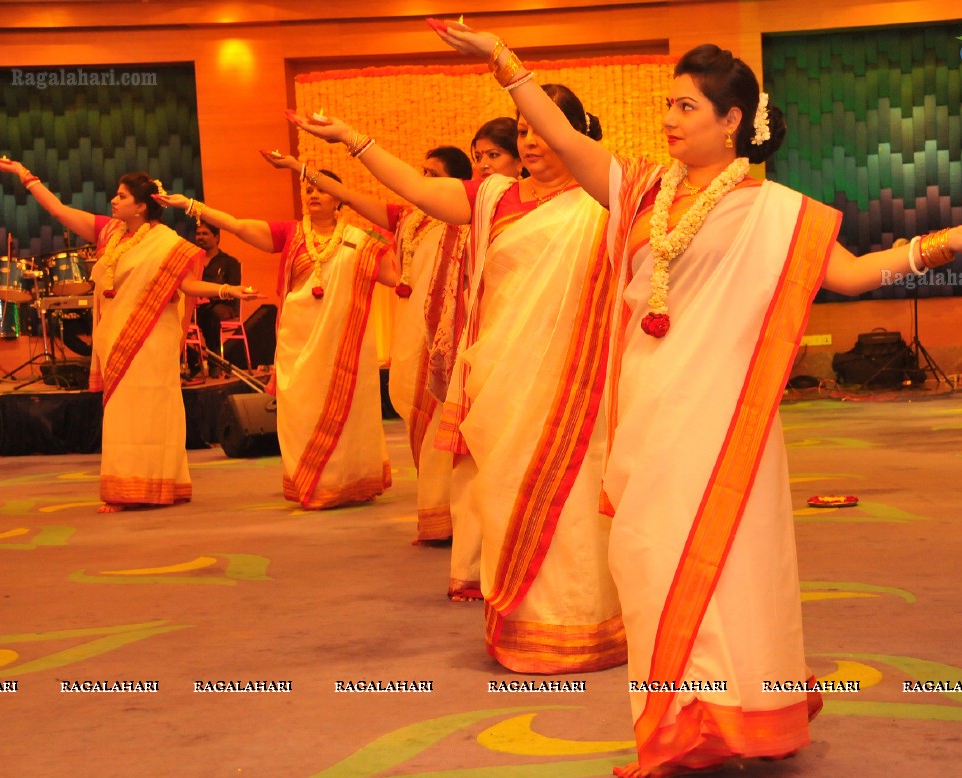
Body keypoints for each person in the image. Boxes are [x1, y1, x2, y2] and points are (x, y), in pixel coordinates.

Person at [431, 22, 962, 778]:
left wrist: (940, 244)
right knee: (646, 564)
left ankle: (723, 717)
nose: (669, 119)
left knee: (721, 564)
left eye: (685, 107)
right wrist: (505, 65)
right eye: (667, 105)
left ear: (731, 120)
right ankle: (681, 714)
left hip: (714, 418)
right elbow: (567, 142)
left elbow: (847, 275)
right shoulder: (642, 187)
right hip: (646, 412)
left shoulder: (773, 209)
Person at [287, 86, 626, 671]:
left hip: (574, 382)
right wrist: (351, 141)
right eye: (522, 131)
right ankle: (524, 625)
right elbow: (417, 191)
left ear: (573, 133)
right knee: (499, 491)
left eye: (543, 128)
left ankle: (580, 623)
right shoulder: (494, 197)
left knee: (571, 499)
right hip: (502, 377)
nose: (531, 141)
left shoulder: (603, 201)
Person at [0, 158, 257, 512]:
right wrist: (23, 176)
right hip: (116, 336)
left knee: (154, 408)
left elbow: (186, 285)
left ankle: (158, 484)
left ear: (141, 205)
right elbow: (59, 210)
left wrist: (228, 291)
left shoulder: (166, 242)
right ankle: (126, 487)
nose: (114, 201)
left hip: (153, 337)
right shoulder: (108, 233)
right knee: (122, 413)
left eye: (122, 196)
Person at [261, 145, 474, 557]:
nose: (422, 181)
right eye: (422, 172)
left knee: (447, 429)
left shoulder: (469, 218)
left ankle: (456, 517)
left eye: (432, 175)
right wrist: (299, 168)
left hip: (454, 332)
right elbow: (356, 199)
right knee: (421, 422)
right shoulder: (409, 220)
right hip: (415, 335)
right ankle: (437, 514)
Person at [156, 168, 399, 510]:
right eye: (308, 190)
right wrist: (190, 205)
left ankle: (347, 483)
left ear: (339, 198)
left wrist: (394, 242)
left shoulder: (360, 241)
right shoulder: (292, 234)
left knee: (350, 413)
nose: (312, 195)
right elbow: (237, 225)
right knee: (300, 411)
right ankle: (312, 484)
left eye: (321, 190)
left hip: (345, 345)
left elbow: (394, 279)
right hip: (296, 342)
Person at [193, 220, 243, 370]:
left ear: (216, 238)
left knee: (210, 315)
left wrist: (210, 296)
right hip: (197, 306)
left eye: (205, 234)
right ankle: (190, 363)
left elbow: (234, 290)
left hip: (223, 306)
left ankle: (215, 361)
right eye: (198, 234)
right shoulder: (192, 261)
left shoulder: (230, 262)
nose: (200, 237)